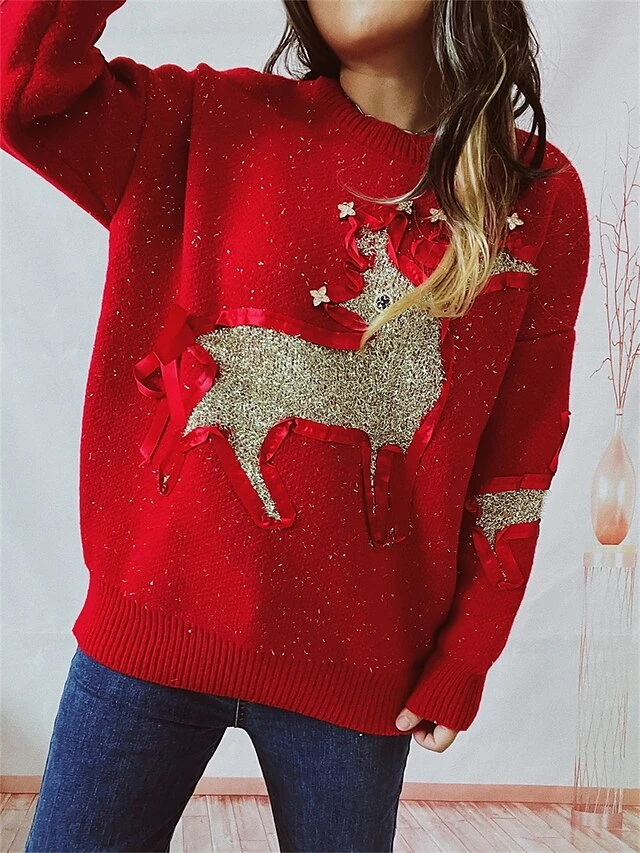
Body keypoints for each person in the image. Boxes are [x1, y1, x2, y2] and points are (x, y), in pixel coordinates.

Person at [0, 0, 591, 850]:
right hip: (145, 634)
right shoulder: (201, 123)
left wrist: (469, 651)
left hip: (361, 674)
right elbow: (22, 88)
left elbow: (519, 453)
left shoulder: (534, 197)